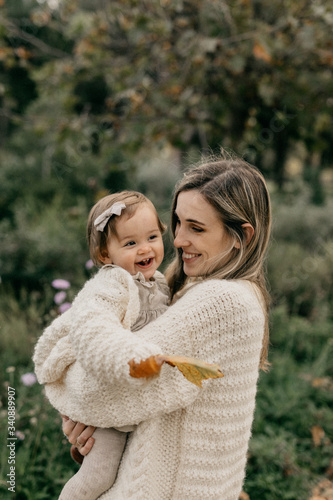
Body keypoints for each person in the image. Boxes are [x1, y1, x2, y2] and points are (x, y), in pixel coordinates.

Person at [45, 155, 272, 499]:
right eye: (177, 223)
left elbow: (99, 388)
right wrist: (90, 434)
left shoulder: (221, 301)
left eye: (196, 228)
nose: (178, 240)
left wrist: (69, 398)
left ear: (241, 236)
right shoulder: (191, 289)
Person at [33, 191, 170, 499]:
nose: (145, 248)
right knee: (98, 476)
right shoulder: (110, 284)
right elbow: (96, 328)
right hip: (110, 396)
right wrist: (132, 356)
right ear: (106, 255)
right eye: (131, 243)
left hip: (139, 404)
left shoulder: (160, 282)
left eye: (152, 236)